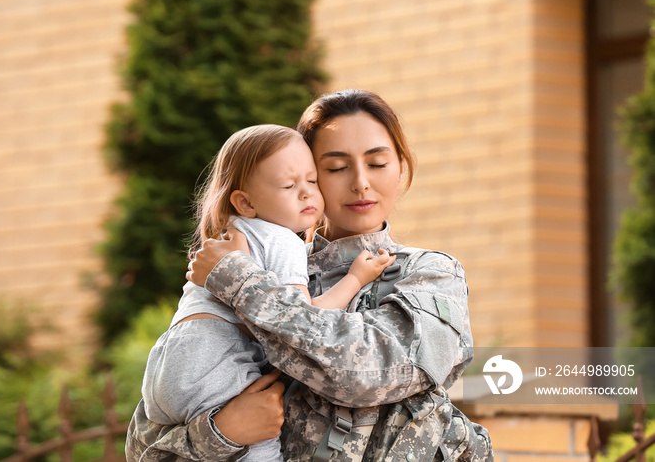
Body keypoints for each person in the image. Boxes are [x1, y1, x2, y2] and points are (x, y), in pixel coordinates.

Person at [126, 89, 493, 461]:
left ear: (401, 167)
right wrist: (223, 432)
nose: (360, 183)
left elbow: (370, 374)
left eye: (378, 163)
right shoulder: (254, 262)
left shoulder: (430, 275)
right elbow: (148, 439)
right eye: (335, 168)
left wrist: (240, 282)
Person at [132, 124, 396, 462]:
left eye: (312, 181)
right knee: (260, 443)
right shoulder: (282, 239)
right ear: (245, 202)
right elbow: (301, 322)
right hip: (215, 360)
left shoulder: (234, 233)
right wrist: (356, 278)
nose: (306, 194)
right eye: (289, 185)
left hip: (167, 363)